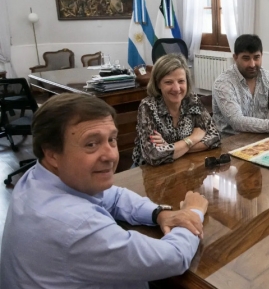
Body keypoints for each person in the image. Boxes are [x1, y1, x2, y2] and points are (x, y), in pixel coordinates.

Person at [1, 93, 208, 288]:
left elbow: (114, 196)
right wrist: (192, 212)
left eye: (112, 139)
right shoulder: (75, 225)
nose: (110, 155)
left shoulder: (37, 177)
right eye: (91, 144)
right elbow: (173, 258)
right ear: (52, 154)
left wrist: (159, 213)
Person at [132, 53, 220, 166]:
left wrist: (169, 146)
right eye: (168, 82)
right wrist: (192, 139)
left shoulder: (192, 100)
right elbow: (153, 155)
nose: (176, 88)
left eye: (181, 81)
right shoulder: (148, 107)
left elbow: (215, 138)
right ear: (158, 83)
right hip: (147, 171)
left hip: (184, 164)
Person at [212, 34, 269, 136]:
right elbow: (237, 122)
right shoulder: (223, 83)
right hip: (231, 143)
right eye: (246, 58)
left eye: (256, 58)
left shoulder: (266, 76)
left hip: (263, 138)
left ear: (262, 55)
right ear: (235, 58)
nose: (252, 64)